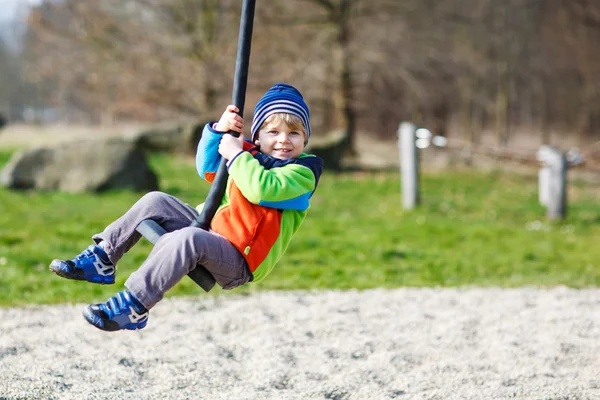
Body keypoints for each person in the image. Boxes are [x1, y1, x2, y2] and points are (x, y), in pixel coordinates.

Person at [49, 83, 324, 332]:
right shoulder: (247, 153)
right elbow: (206, 167)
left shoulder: (302, 173)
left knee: (189, 239)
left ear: (305, 138)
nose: (283, 140)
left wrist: (237, 155)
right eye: (273, 131)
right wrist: (219, 131)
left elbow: (261, 189)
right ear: (259, 133)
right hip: (211, 227)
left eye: (294, 133)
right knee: (154, 201)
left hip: (240, 258)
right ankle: (102, 258)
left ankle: (134, 306)